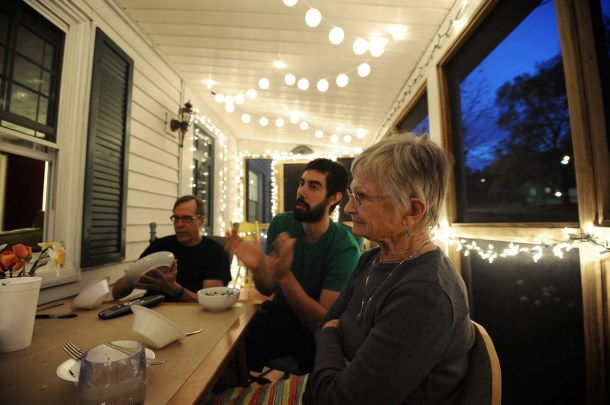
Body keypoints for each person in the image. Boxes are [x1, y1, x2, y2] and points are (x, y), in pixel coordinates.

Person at [211, 134, 474, 404]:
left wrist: (331, 334)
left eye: (362, 197)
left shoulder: (425, 294)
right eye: (351, 195)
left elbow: (341, 396)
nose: (348, 208)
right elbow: (325, 324)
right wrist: (334, 340)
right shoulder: (372, 259)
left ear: (412, 210)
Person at [226, 158, 361, 373]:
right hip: (279, 314)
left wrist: (285, 276)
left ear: (334, 198)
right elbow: (267, 288)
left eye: (313, 186)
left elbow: (323, 322)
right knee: (230, 353)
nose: (302, 192)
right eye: (301, 183)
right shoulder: (282, 223)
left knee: (323, 373)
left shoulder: (345, 248)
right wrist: (258, 268)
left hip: (313, 329)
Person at [112, 195, 231, 302]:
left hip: (192, 315)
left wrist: (174, 289)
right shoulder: (159, 246)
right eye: (176, 218)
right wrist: (131, 276)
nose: (179, 224)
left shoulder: (215, 252)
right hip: (150, 311)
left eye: (187, 218)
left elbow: (211, 300)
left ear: (201, 220)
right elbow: (116, 294)